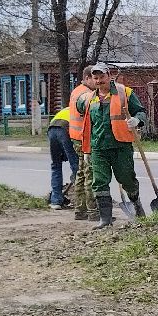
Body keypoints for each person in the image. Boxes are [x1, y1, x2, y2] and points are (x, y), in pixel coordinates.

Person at [73, 62, 148, 228]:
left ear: (109, 76)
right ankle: (105, 220)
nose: (99, 81)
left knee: (127, 179)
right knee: (99, 181)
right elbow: (80, 111)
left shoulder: (124, 92)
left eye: (102, 77)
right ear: (91, 79)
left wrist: (137, 120)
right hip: (98, 147)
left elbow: (141, 111)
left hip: (121, 145)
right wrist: (86, 150)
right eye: (96, 78)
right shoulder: (89, 98)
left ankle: (136, 204)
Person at [64, 65, 96, 221]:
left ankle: (80, 210)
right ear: (87, 78)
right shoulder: (86, 94)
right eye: (94, 78)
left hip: (77, 137)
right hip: (85, 139)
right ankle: (93, 212)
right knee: (90, 174)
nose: (97, 82)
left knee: (81, 174)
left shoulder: (76, 90)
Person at [47, 106, 77, 210]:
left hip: (51, 129)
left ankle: (56, 201)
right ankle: (83, 201)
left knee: (56, 165)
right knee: (76, 166)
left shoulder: (68, 109)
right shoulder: (82, 110)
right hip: (65, 129)